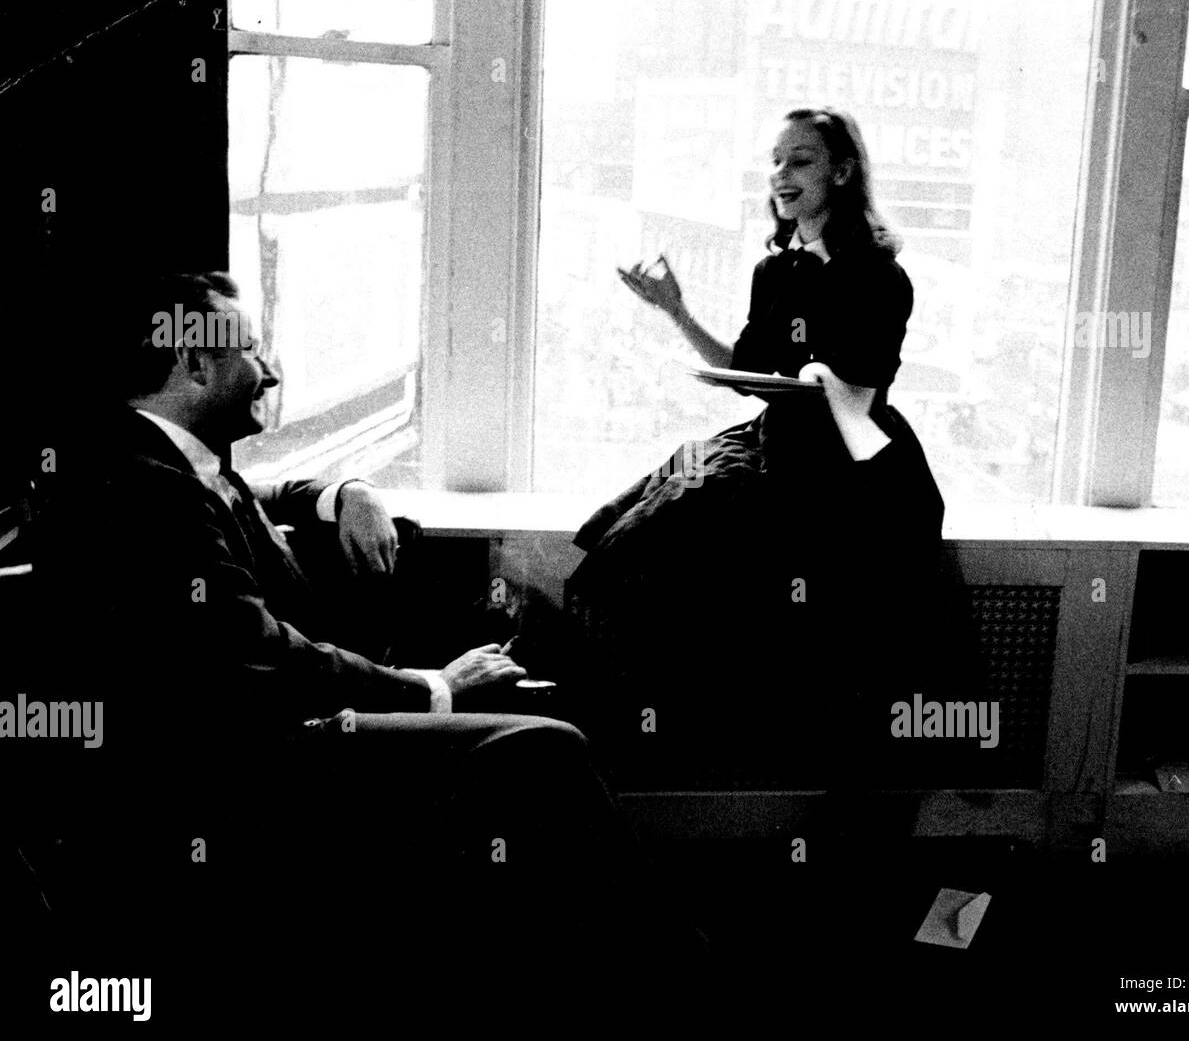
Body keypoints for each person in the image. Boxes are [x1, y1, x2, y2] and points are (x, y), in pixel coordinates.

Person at [27, 271, 691, 987]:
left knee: (532, 669)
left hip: (278, 730)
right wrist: (433, 689)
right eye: (251, 350)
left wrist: (344, 492)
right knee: (540, 748)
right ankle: (669, 980)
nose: (270, 370)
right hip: (245, 769)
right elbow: (259, 657)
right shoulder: (140, 489)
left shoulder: (174, 459)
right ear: (193, 365)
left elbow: (268, 493)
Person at [567, 107, 966, 788]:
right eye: (776, 161)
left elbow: (853, 393)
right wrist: (675, 308)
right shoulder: (773, 270)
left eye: (801, 160)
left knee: (841, 645)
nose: (782, 175)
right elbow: (748, 373)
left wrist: (803, 376)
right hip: (775, 441)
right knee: (624, 542)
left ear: (842, 173)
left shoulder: (880, 277)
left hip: (850, 460)